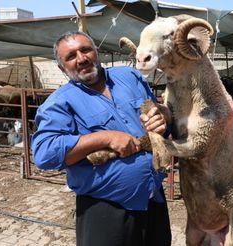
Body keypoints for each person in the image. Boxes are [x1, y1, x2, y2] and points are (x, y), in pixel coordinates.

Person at [31, 31, 171, 246]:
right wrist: (104, 138)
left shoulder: (129, 77)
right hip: (106, 209)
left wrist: (160, 118)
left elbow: (156, 111)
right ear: (62, 68)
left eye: (86, 49)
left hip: (153, 198)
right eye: (71, 56)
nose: (81, 58)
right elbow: (44, 153)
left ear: (96, 52)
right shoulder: (59, 103)